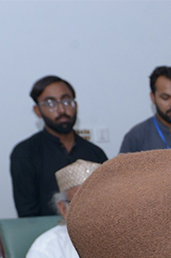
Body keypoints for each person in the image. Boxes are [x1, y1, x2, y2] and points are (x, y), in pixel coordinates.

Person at [10, 75, 108, 217]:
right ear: (38, 111)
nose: (61, 109)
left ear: (76, 105)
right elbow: (27, 215)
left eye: (66, 101)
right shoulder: (25, 153)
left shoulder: (94, 153)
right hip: (46, 235)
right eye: (50, 103)